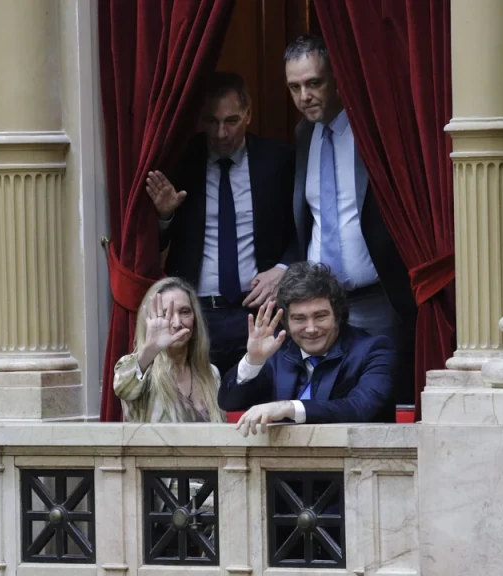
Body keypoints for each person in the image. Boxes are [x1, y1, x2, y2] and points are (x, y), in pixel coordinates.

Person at [283, 35, 415, 399]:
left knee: (381, 402)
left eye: (314, 83)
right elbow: (307, 217)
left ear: (338, 78)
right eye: (294, 87)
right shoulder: (303, 134)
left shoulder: (372, 130)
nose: (304, 96)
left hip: (376, 300)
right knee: (321, 402)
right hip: (317, 307)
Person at [146, 71, 296, 377]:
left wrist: (282, 269)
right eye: (212, 122)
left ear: (249, 114)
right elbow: (152, 243)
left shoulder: (278, 161)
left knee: (257, 402)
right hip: (196, 314)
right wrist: (165, 216)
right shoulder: (182, 159)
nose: (221, 133)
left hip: (258, 310)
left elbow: (303, 229)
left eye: (231, 121)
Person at [218, 262, 396, 436]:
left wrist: (287, 407)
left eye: (320, 316)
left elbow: (360, 408)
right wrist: (253, 361)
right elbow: (229, 402)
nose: (310, 329)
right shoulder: (278, 352)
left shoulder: (374, 350)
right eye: (299, 318)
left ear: (338, 315)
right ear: (285, 322)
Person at [113, 277, 224, 423]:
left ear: (195, 319)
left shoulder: (211, 373)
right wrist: (149, 351)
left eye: (185, 312)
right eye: (166, 314)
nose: (177, 323)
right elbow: (122, 388)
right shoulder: (143, 369)